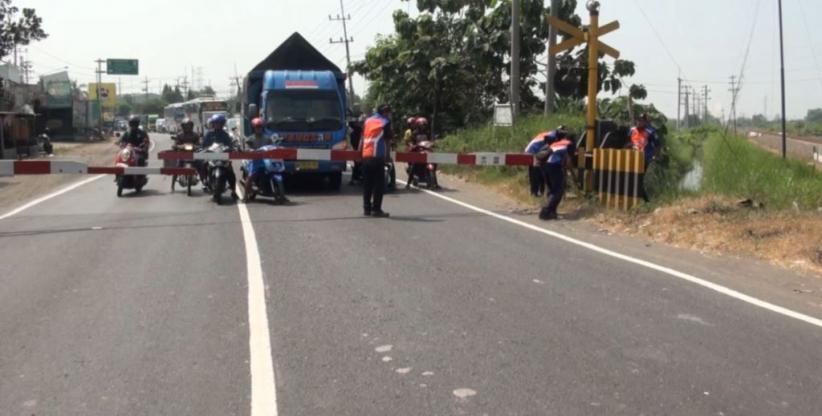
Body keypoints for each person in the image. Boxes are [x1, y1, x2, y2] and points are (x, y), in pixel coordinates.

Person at [358, 104, 394, 217]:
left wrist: (359, 154)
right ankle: (376, 209)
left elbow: (362, 138)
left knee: (367, 184)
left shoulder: (368, 121)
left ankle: (366, 209)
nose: (390, 115)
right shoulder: (385, 122)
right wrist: (387, 156)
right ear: (385, 112)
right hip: (377, 157)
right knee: (379, 184)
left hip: (366, 155)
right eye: (389, 113)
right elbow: (388, 141)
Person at [537, 129, 575, 220]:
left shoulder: (556, 144)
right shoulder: (568, 144)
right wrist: (570, 169)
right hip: (555, 167)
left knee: (551, 190)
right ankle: (545, 211)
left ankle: (552, 212)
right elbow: (568, 161)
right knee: (558, 191)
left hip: (546, 167)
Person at [202, 114, 239, 200]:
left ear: (222, 124)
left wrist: (231, 148)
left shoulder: (225, 135)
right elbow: (203, 145)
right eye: (215, 123)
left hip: (223, 157)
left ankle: (233, 191)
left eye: (219, 123)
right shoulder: (209, 134)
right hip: (212, 157)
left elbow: (230, 144)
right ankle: (204, 182)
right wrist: (205, 148)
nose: (217, 125)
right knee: (203, 164)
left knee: (231, 172)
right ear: (213, 124)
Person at [348, 114, 364, 185]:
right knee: (357, 164)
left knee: (357, 164)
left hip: (362, 148)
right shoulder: (355, 131)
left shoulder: (361, 130)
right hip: (358, 148)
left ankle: (355, 178)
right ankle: (355, 178)